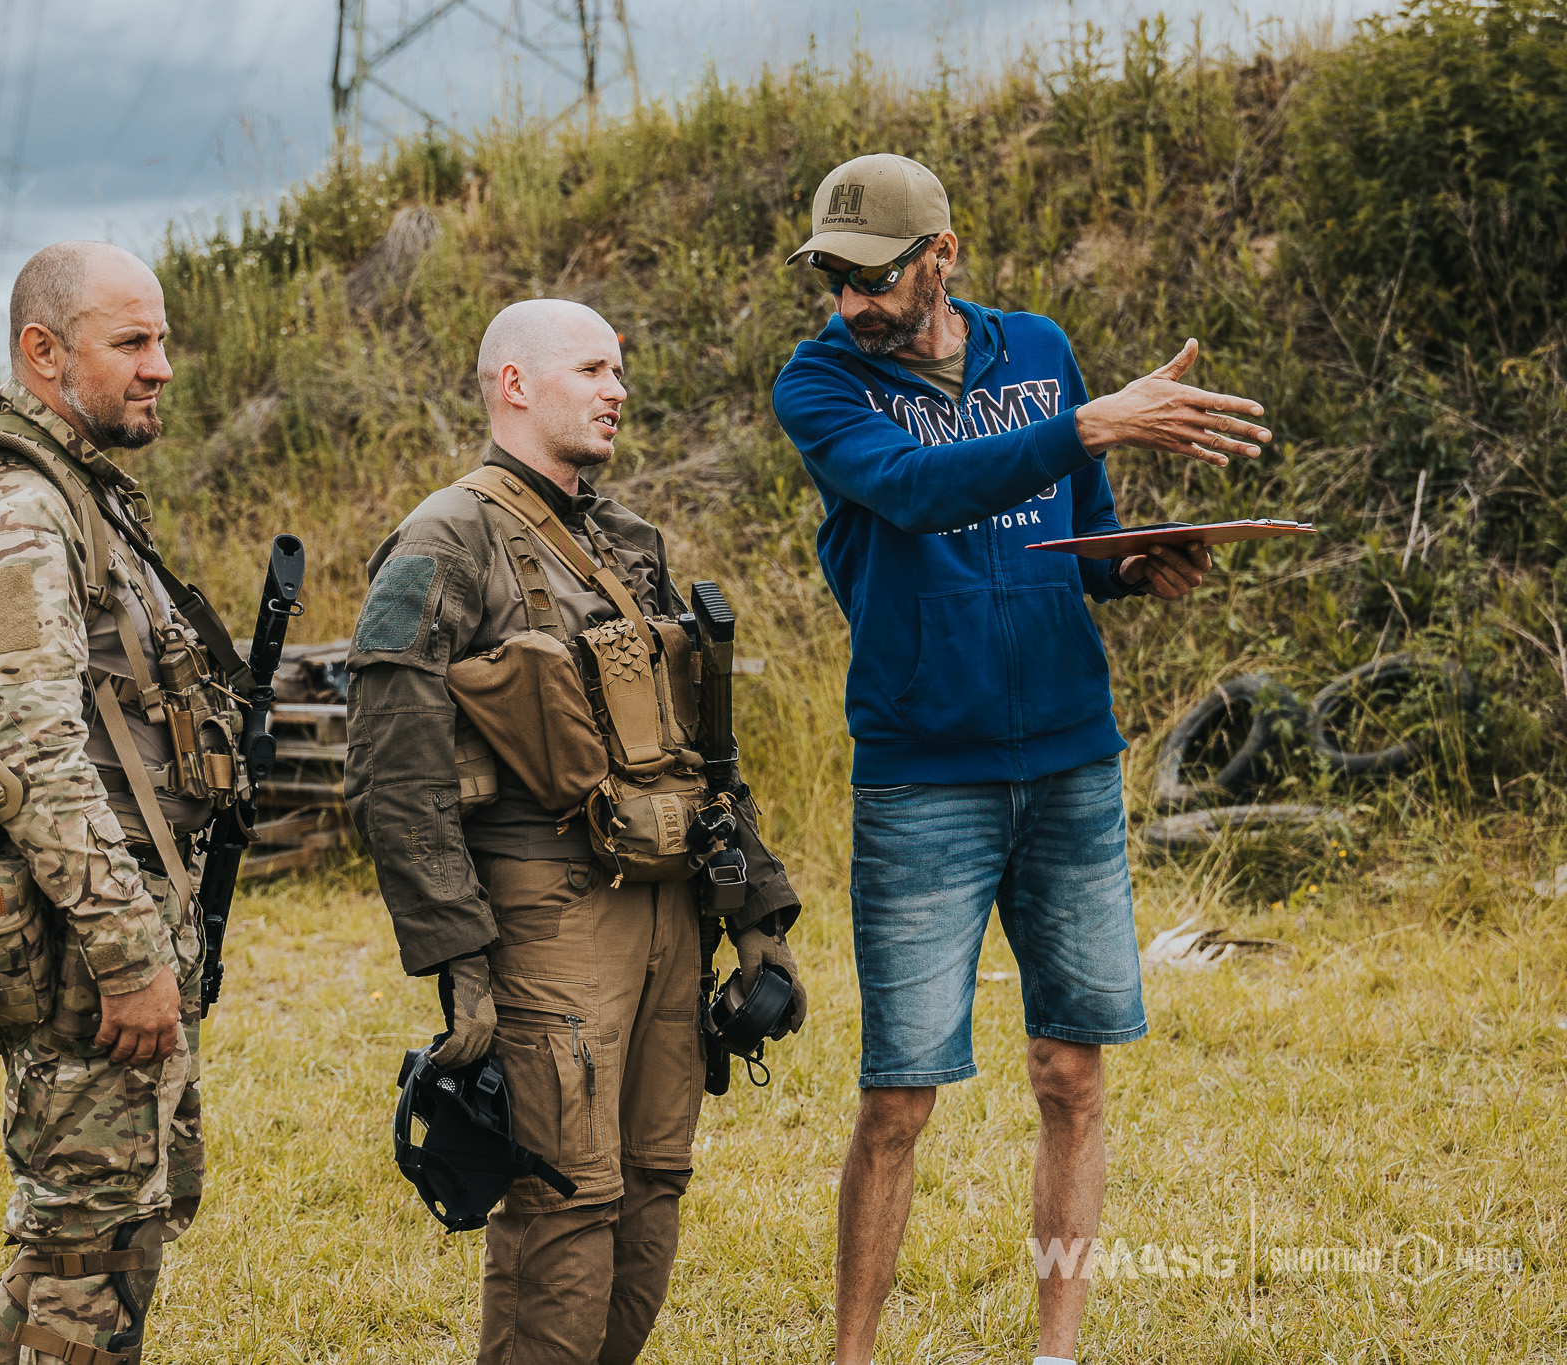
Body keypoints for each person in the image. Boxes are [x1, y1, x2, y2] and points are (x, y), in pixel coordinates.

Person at [770, 154, 1271, 1365]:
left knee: (1068, 1074)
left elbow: (1076, 527)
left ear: (940, 255)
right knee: (897, 1095)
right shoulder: (818, 383)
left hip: (1065, 762)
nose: (850, 302)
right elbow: (915, 490)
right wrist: (1091, 421)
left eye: (873, 277)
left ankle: (1055, 1354)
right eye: (833, 279)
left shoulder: (1037, 349)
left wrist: (1132, 564)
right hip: (920, 773)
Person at [345, 298, 806, 1365]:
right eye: (593, 369)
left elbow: (700, 752)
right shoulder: (442, 539)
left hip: (667, 912)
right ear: (514, 384)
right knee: (565, 1198)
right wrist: (461, 959)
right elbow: (391, 772)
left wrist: (758, 918)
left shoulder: (625, 541)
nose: (618, 390)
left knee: (652, 1186)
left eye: (619, 369)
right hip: (549, 916)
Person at [0, 241, 228, 1365]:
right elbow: (25, 751)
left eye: (161, 338)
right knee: (87, 1254)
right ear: (44, 352)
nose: (161, 365)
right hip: (79, 945)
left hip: (113, 922)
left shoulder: (79, 490)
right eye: (132, 342)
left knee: (105, 1236)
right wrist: (125, 948)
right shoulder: (17, 505)